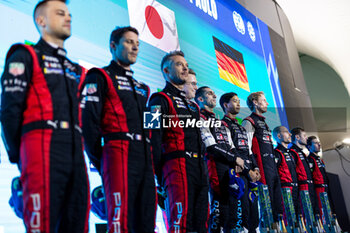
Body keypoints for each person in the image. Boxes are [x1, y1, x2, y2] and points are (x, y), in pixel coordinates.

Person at [0, 0, 89, 232]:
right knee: (43, 223)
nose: (68, 18)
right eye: (60, 13)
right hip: (42, 148)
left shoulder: (75, 68)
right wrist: (17, 156)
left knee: (78, 221)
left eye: (69, 14)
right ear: (41, 21)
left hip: (76, 153)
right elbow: (10, 110)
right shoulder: (24, 54)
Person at [81, 26, 156, 232]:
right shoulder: (99, 76)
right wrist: (102, 158)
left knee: (147, 217)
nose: (135, 48)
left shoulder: (144, 87)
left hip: (145, 158)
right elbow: (88, 122)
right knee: (119, 217)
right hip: (117, 153)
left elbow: (153, 128)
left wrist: (153, 157)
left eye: (138, 44)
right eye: (129, 42)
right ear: (113, 46)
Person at [149, 51, 209, 232]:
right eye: (179, 64)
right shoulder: (157, 98)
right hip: (176, 166)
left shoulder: (193, 106)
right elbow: (152, 137)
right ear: (166, 71)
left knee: (202, 222)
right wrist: (158, 177)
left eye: (185, 64)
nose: (184, 67)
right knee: (180, 221)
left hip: (199, 167)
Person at [195, 87, 245, 233]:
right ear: (201, 99)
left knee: (233, 210)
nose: (214, 95)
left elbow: (231, 145)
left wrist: (236, 160)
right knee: (219, 211)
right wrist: (234, 158)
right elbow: (210, 146)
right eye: (210, 94)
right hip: (213, 167)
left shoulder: (221, 122)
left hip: (228, 168)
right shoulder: (199, 117)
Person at [220, 92, 260, 232]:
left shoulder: (242, 127)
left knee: (253, 213)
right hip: (238, 174)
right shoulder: (223, 124)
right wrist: (247, 170)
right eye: (235, 101)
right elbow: (231, 150)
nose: (238, 104)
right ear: (226, 105)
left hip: (250, 173)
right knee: (240, 212)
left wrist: (256, 169)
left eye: (238, 101)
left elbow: (249, 150)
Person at [242, 91, 283, 223]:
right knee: (267, 205)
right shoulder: (249, 121)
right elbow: (245, 147)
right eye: (264, 100)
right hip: (261, 169)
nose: (267, 103)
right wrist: (254, 167)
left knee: (278, 204)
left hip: (272, 168)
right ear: (255, 102)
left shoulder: (264, 123)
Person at [290, 127, 318, 215]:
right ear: (297, 137)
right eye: (304, 135)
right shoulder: (292, 152)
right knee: (306, 213)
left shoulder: (302, 152)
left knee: (313, 212)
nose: (306, 138)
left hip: (310, 186)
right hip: (301, 187)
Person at [273, 126, 299, 216]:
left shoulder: (291, 153)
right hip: (285, 191)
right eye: (286, 132)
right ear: (279, 136)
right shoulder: (276, 153)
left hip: (296, 190)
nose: (290, 134)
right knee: (288, 218)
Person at [307, 136, 331, 219]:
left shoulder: (320, 159)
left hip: (326, 188)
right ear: (309, 147)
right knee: (322, 212)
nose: (319, 144)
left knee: (329, 211)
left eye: (319, 143)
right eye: (316, 143)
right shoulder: (310, 159)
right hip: (318, 190)